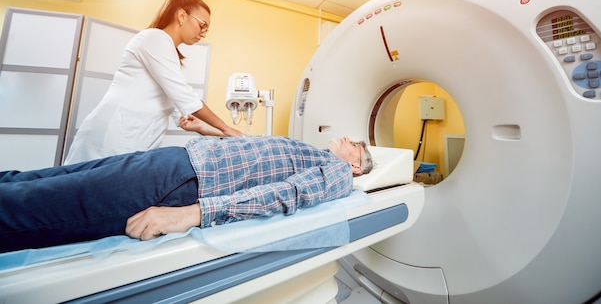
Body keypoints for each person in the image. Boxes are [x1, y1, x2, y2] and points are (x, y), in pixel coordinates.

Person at [0, 135, 373, 253]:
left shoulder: (339, 175)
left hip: (185, 184)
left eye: (353, 145)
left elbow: (285, 194)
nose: (345, 139)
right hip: (179, 159)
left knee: (40, 203)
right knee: (38, 179)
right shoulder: (312, 151)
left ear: (355, 166)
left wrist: (191, 213)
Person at [64, 0, 243, 165]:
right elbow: (185, 97)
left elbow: (184, 114)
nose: (203, 33)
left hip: (137, 138)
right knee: (80, 190)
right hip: (113, 136)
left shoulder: (168, 53)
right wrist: (225, 127)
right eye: (202, 25)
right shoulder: (154, 38)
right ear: (182, 16)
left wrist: (211, 131)